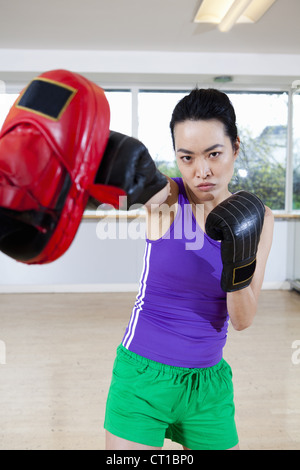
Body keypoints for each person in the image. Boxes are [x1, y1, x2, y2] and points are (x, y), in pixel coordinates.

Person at [103, 88, 274, 450]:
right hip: (143, 378)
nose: (202, 171)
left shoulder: (260, 218)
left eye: (214, 153)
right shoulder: (166, 199)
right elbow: (123, 167)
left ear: (236, 147)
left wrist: (237, 257)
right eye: (187, 157)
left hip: (208, 388)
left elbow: (242, 320)